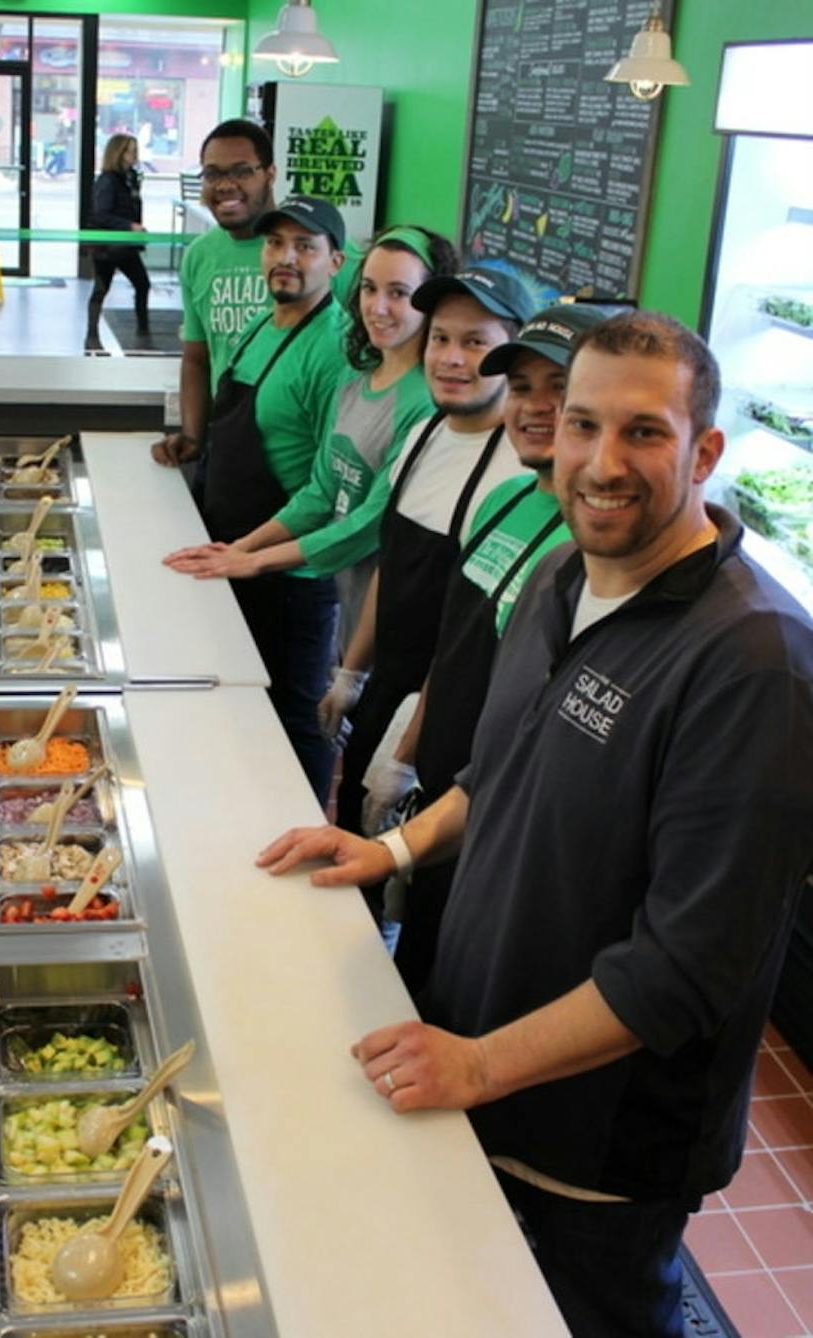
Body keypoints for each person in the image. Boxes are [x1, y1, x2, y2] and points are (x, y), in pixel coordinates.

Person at [258, 311, 813, 1337]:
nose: (602, 462)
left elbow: (686, 970)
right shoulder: (565, 573)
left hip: (597, 1143)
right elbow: (501, 770)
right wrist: (390, 846)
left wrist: (479, 1065)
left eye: (644, 433)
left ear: (706, 451)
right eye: (583, 425)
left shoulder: (755, 663)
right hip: (490, 1060)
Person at [365, 302, 609, 992]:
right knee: (414, 971)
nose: (535, 407)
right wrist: (403, 758)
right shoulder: (503, 499)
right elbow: (457, 647)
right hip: (443, 805)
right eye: (523, 387)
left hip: (498, 829)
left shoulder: (586, 550)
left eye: (559, 391)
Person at [162, 224, 456, 652]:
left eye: (399, 293)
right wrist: (237, 550)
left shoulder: (426, 401)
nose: (378, 307)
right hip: (345, 593)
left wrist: (255, 561)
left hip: (392, 611)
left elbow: (368, 525)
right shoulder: (358, 375)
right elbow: (321, 491)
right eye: (370, 289)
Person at [324, 265, 535, 843]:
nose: (450, 358)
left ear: (512, 358)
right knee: (351, 852)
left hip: (443, 724)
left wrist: (405, 756)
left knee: (401, 885)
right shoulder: (423, 435)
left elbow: (465, 632)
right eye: (440, 338)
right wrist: (351, 674)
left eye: (475, 343)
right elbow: (392, 569)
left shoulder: (514, 473)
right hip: (386, 695)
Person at [173, 196, 349, 804]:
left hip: (291, 575)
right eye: (277, 244)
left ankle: (301, 831)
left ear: (336, 261)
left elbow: (329, 489)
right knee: (241, 712)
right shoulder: (262, 324)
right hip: (233, 552)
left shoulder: (335, 348)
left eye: (306, 247)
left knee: (295, 719)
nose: (286, 258)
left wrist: (251, 552)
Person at [151, 118, 276, 470]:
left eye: (241, 172)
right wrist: (192, 437)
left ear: (270, 173)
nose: (225, 185)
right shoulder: (200, 255)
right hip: (228, 448)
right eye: (212, 174)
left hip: (300, 459)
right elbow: (196, 358)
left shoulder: (313, 250)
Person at [86, 134, 150, 354]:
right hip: (108, 246)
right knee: (101, 289)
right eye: (130, 151)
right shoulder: (108, 180)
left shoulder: (129, 178)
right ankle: (92, 337)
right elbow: (100, 214)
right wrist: (129, 226)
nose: (134, 156)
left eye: (134, 151)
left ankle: (143, 332)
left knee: (142, 283)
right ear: (118, 153)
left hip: (125, 245)